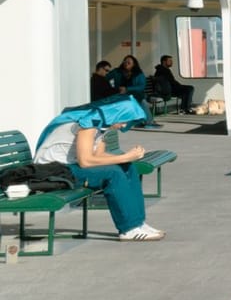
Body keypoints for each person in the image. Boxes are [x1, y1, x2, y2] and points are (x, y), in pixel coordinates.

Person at [34, 94, 165, 241]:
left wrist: (128, 159)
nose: (123, 126)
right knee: (113, 173)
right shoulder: (88, 123)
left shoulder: (102, 124)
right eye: (124, 120)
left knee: (128, 167)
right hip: (53, 171)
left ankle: (138, 223)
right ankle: (129, 228)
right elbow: (86, 161)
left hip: (69, 167)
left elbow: (99, 155)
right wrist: (125, 157)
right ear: (117, 114)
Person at [108, 54, 161, 126]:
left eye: (129, 62)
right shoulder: (117, 71)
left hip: (134, 94)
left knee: (142, 101)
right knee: (137, 101)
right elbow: (106, 78)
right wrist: (113, 88)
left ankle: (148, 122)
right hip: (120, 94)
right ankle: (143, 122)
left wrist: (127, 89)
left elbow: (141, 86)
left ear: (134, 64)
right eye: (125, 61)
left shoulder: (138, 73)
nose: (126, 63)